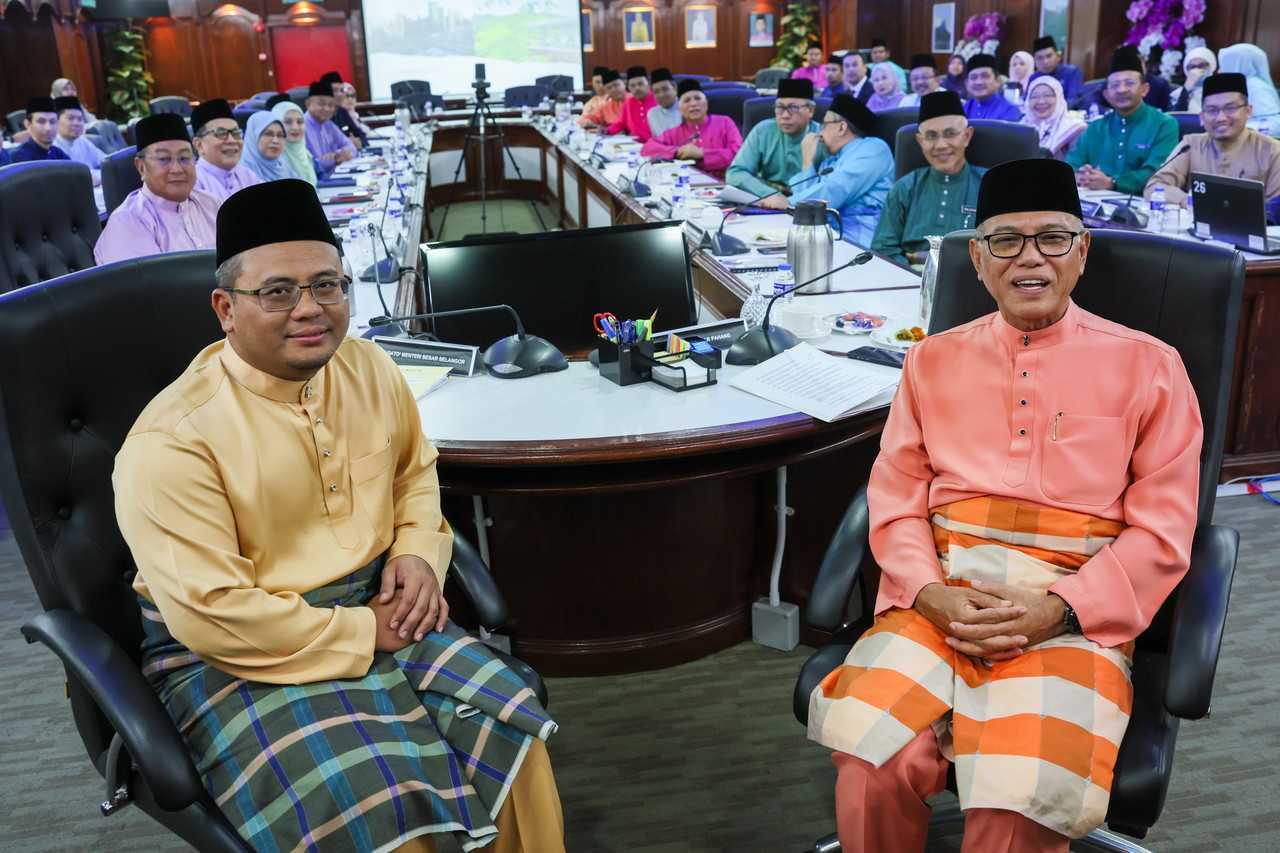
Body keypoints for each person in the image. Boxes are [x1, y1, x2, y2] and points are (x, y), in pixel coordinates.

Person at [113, 178, 564, 853]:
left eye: (328, 285)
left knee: (511, 735)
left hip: (381, 601)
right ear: (225, 309)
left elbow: (414, 470)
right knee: (368, 801)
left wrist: (416, 551)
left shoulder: (367, 364)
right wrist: (361, 630)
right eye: (277, 292)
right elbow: (212, 612)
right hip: (237, 652)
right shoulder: (173, 440)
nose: (311, 310)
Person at [811, 156, 1202, 853]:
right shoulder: (929, 360)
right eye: (1006, 241)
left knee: (1020, 800)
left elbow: (1165, 530)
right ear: (978, 257)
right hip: (942, 596)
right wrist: (929, 593)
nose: (1031, 259)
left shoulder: (1151, 366)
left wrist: (1061, 607)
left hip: (1072, 613)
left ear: (1081, 251)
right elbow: (895, 498)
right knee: (874, 759)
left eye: (1052, 238)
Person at [871, 91, 985, 267]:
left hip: (976, 279)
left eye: (950, 133)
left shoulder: (991, 185)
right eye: (931, 136)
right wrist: (916, 275)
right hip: (910, 281)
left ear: (967, 136)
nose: (940, 145)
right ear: (920, 141)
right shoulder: (905, 188)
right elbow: (883, 249)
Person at [93, 114, 219, 265]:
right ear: (141, 167)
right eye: (163, 159)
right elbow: (149, 287)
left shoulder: (211, 204)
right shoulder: (128, 221)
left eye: (185, 158)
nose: (177, 169)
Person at [1145, 72, 1280, 206]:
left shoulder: (1272, 150)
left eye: (1230, 108)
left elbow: (1275, 208)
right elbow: (1154, 187)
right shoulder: (1190, 145)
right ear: (1202, 117)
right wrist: (1188, 201)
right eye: (1212, 110)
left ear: (1248, 111)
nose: (1221, 118)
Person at [1067, 47, 1178, 192]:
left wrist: (1112, 183)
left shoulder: (1164, 125)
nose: (1122, 90)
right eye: (1115, 85)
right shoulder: (1095, 127)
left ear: (1145, 89)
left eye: (1129, 83)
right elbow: (1072, 165)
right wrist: (1080, 175)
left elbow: (1157, 173)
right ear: (1106, 94)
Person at [788, 93, 894, 245]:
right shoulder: (829, 161)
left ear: (842, 127)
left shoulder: (873, 149)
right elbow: (807, 210)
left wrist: (786, 204)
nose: (820, 133)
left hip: (863, 239)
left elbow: (835, 190)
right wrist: (807, 162)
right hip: (829, 235)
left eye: (824, 125)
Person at [727, 78, 820, 208]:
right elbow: (735, 173)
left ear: (810, 110)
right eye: (780, 107)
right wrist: (770, 193)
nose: (785, 115)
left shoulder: (822, 137)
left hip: (807, 207)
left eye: (793, 108)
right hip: (769, 203)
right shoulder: (763, 131)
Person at [641, 79, 743, 179]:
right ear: (679, 108)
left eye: (697, 98)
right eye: (687, 100)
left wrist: (702, 153)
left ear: (706, 103)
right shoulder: (675, 132)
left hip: (726, 183)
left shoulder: (725, 123)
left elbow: (738, 154)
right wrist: (677, 151)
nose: (693, 104)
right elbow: (647, 149)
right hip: (689, 186)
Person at [191, 98, 262, 203]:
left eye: (236, 133)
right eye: (221, 133)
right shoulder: (192, 183)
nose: (231, 140)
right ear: (199, 145)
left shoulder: (248, 175)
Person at [1023, 75, 1087, 158]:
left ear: (1059, 98)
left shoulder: (1075, 129)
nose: (1041, 101)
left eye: (1048, 95)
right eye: (1034, 96)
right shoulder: (1021, 127)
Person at [303, 80, 356, 180]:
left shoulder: (328, 124)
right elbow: (310, 166)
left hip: (333, 178)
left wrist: (337, 154)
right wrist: (335, 158)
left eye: (331, 105)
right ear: (308, 104)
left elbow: (351, 147)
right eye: (322, 104)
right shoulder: (300, 127)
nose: (327, 109)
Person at [1218, 43, 1280, 122]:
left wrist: (1238, 130)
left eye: (1226, 64)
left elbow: (1273, 123)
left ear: (1239, 63)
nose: (1220, 70)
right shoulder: (1240, 84)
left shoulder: (1255, 86)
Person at [51, 96, 104, 184]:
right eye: (71, 118)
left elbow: (105, 162)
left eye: (80, 119)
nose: (76, 123)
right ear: (56, 121)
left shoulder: (82, 140)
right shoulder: (52, 146)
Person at [239, 110, 296, 183]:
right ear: (253, 137)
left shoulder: (284, 166)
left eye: (280, 135)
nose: (275, 140)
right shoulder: (242, 171)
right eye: (268, 134)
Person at [9, 97, 71, 163]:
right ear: (28, 124)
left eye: (52, 122)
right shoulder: (18, 157)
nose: (48, 128)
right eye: (41, 121)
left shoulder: (58, 154)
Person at [964, 55, 1022, 121]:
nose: (979, 82)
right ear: (967, 83)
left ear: (998, 81)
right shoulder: (965, 108)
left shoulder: (1009, 111)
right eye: (973, 77)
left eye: (985, 76)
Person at [273, 100, 318, 187]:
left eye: (300, 122)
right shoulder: (274, 159)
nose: (295, 127)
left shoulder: (306, 154)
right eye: (288, 122)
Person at [321, 71, 370, 149]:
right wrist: (349, 144)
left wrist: (361, 143)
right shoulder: (319, 117)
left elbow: (361, 135)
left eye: (341, 90)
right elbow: (325, 147)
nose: (340, 94)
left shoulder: (342, 111)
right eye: (335, 90)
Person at [608, 65, 657, 142]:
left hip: (656, 146)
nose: (637, 88)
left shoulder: (658, 100)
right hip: (633, 146)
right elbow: (621, 123)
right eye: (632, 85)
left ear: (648, 84)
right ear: (629, 88)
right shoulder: (628, 102)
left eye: (640, 84)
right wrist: (606, 131)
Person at [1029, 35, 1083, 103]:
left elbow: (1073, 101)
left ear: (1058, 56)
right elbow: (1027, 102)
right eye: (1040, 58)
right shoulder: (1033, 78)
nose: (1045, 61)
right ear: (1035, 61)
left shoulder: (1072, 73)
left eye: (1049, 56)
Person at [1169, 46, 1217, 113]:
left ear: (1211, 66)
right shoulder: (1176, 94)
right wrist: (1186, 89)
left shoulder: (1220, 91)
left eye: (1202, 66)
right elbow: (1176, 118)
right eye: (1192, 67)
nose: (1197, 70)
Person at [647, 68, 681, 138]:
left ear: (674, 87)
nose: (661, 95)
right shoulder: (652, 114)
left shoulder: (687, 109)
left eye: (665, 89)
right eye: (656, 92)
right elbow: (656, 141)